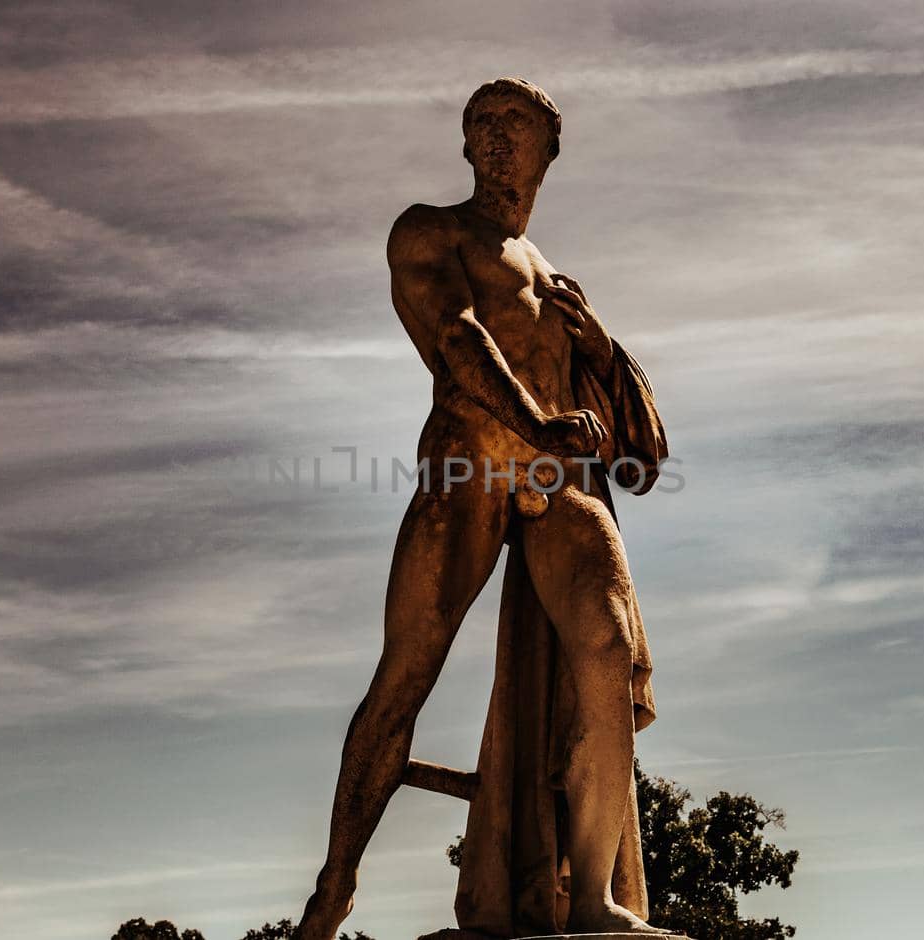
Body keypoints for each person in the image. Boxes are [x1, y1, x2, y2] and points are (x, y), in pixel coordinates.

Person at [295, 77, 671, 940]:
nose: (496, 135)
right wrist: (537, 419)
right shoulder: (432, 228)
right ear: (465, 147)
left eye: (516, 122)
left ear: (550, 145)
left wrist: (600, 351)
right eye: (481, 124)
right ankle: (335, 887)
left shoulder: (558, 280)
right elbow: (457, 335)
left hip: (556, 486)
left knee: (607, 651)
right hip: (468, 466)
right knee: (404, 680)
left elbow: (636, 442)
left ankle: (590, 898)